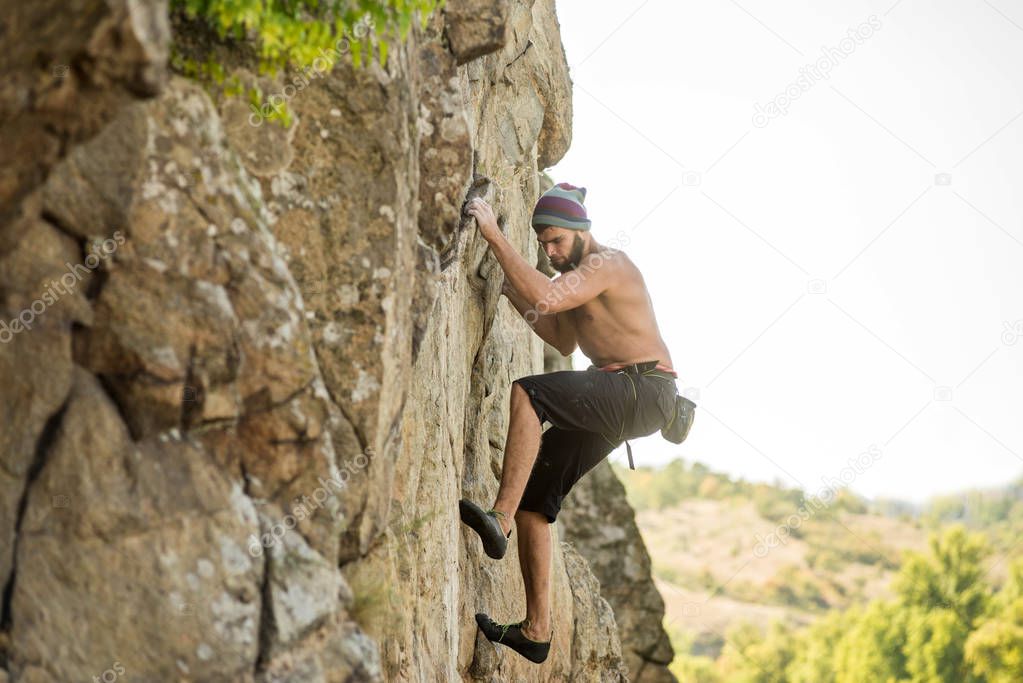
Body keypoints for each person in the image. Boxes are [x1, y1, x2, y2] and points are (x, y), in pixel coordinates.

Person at [460, 182, 681, 664]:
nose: (551, 251)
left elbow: (552, 298)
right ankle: (537, 631)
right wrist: (506, 290)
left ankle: (498, 517)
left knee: (529, 392)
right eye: (543, 245)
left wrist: (495, 236)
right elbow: (561, 337)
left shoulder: (606, 264)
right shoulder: (580, 277)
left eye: (556, 240)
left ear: (583, 231)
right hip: (627, 396)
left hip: (642, 389)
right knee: (536, 504)